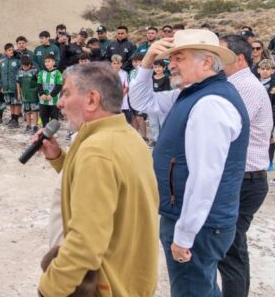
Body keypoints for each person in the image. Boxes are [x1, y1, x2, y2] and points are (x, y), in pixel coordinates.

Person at [129, 29, 249, 296]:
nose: (170, 64)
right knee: (202, 288)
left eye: (179, 58)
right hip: (195, 220)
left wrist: (184, 235)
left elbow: (205, 178)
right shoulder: (192, 93)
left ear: (206, 62)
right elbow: (139, 100)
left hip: (199, 225)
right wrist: (147, 62)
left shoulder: (210, 103)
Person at [35, 62, 159, 296]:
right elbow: (96, 187)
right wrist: (57, 157)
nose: (60, 102)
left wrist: (51, 287)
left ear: (92, 99)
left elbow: (85, 242)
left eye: (67, 93)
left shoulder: (97, 150)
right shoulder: (126, 136)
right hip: (130, 280)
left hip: (107, 285)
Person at [217, 35, 272, 296]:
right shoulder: (235, 84)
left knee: (230, 248)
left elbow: (229, 128)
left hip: (246, 180)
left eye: (221, 54)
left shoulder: (246, 87)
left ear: (238, 58)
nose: (216, 59)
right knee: (232, 247)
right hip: (244, 178)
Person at [0, 43, 22, 127]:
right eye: (9, 50)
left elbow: (21, 72)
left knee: (17, 103)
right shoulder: (2, 62)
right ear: (5, 51)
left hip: (15, 85)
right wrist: (1, 85)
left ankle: (16, 120)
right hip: (6, 86)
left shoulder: (17, 60)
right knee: (11, 103)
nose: (11, 51)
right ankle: (12, 118)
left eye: (12, 49)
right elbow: (1, 74)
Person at [16, 55, 40, 133]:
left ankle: (35, 126)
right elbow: (18, 82)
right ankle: (28, 125)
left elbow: (39, 82)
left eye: (27, 66)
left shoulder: (35, 70)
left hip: (33, 94)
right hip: (25, 94)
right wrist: (19, 93)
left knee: (35, 110)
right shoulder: (19, 70)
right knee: (27, 110)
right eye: (24, 66)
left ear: (30, 64)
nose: (25, 67)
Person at [37, 55, 62, 128]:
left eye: (49, 61)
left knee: (54, 115)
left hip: (53, 99)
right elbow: (39, 84)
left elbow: (59, 86)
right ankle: (45, 128)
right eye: (45, 61)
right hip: (43, 99)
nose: (47, 63)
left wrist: (51, 95)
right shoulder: (41, 72)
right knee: (44, 115)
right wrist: (42, 94)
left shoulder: (57, 73)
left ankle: (53, 131)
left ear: (53, 62)